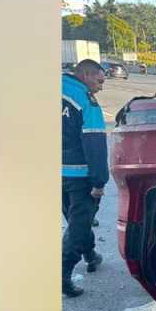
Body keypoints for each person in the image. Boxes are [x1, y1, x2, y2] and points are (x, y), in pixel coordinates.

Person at [62, 59, 108, 297]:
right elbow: (95, 143)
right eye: (99, 81)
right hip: (78, 174)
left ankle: (90, 254)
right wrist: (99, 182)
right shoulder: (85, 100)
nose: (101, 87)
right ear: (87, 75)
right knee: (79, 224)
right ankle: (62, 273)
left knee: (77, 220)